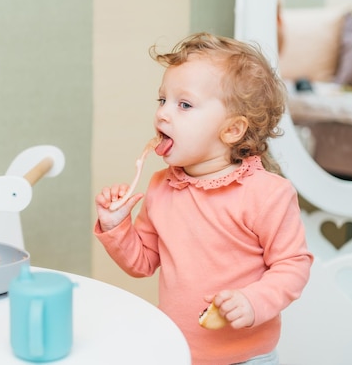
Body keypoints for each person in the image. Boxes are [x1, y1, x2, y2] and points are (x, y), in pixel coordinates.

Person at [94, 32, 313, 365]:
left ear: (231, 130)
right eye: (162, 100)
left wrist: (254, 301)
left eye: (184, 105)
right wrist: (116, 226)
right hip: (175, 350)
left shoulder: (268, 194)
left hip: (248, 357)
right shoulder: (160, 186)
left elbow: (293, 265)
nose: (163, 114)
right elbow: (143, 263)